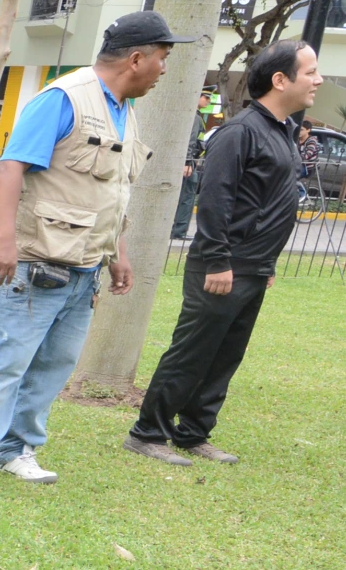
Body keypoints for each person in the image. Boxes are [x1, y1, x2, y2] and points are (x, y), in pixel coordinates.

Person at [0, 12, 182, 497]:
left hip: (84, 269)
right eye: (161, 60)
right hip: (36, 261)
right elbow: (11, 168)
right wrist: (4, 241)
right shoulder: (63, 98)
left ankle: (16, 448)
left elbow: (109, 193)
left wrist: (119, 254)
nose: (162, 71)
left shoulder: (123, 110)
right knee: (7, 362)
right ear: (137, 58)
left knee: (53, 364)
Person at [126, 39, 322, 465]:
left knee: (224, 354)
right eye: (311, 72)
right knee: (193, 350)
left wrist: (265, 263)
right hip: (223, 266)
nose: (318, 80)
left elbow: (269, 201)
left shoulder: (282, 131)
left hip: (253, 266)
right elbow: (215, 201)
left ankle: (194, 432)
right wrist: (218, 260)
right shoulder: (239, 132)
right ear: (280, 79)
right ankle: (147, 433)